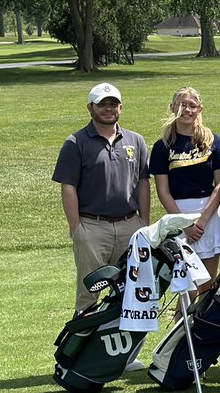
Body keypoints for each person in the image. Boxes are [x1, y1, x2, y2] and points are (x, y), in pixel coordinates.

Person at [53, 83, 150, 323]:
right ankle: (85, 344)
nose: (108, 109)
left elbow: (143, 183)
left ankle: (126, 346)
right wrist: (77, 228)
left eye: (113, 104)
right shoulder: (76, 142)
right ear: (90, 108)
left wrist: (144, 223)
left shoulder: (136, 141)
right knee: (89, 295)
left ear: (121, 108)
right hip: (92, 227)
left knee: (133, 292)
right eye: (102, 104)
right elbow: (68, 187)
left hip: (130, 225)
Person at [150, 86, 220, 292]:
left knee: (206, 285)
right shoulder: (162, 146)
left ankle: (202, 316)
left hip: (209, 214)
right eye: (182, 105)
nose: (187, 110)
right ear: (172, 107)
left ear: (199, 109)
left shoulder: (213, 141)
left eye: (192, 106)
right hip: (179, 215)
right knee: (188, 287)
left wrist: (201, 222)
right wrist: (184, 225)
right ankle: (184, 315)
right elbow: (163, 191)